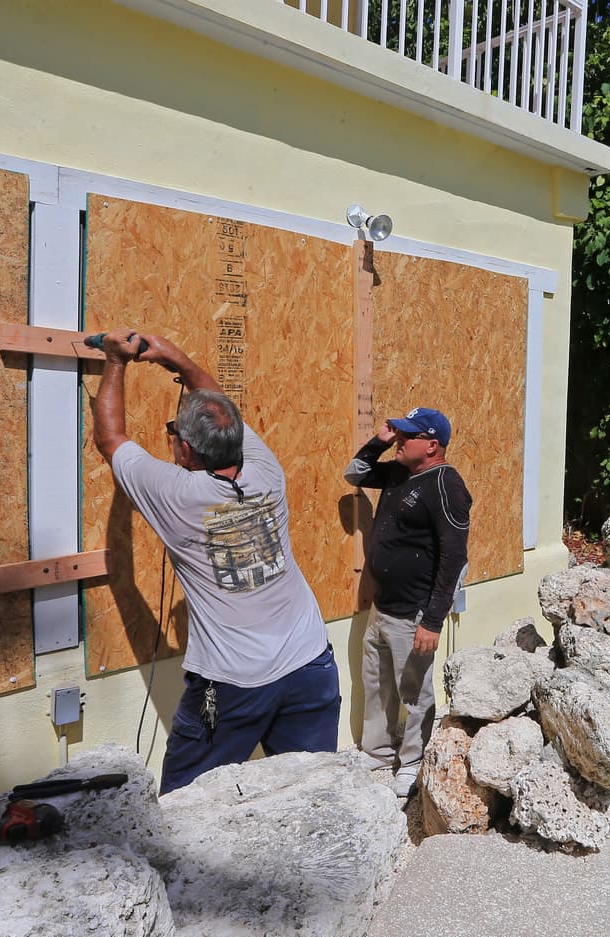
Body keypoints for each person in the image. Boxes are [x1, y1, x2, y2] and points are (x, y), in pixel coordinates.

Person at [90, 330, 340, 794]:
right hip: (310, 663)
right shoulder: (266, 470)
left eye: (172, 434)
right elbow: (217, 401)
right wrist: (176, 359)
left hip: (232, 685)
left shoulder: (180, 495)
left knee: (186, 806)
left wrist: (115, 360)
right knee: (313, 794)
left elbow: (110, 439)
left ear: (184, 450)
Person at [344, 407, 471, 797]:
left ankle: (414, 762)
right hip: (382, 608)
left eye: (408, 436)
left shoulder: (447, 486)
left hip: (414, 613)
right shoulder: (401, 472)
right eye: (400, 434)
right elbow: (355, 474)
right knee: (378, 684)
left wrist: (433, 620)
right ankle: (379, 752)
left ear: (432, 446)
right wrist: (378, 441)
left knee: (414, 693)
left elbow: (453, 558)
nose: (400, 440)